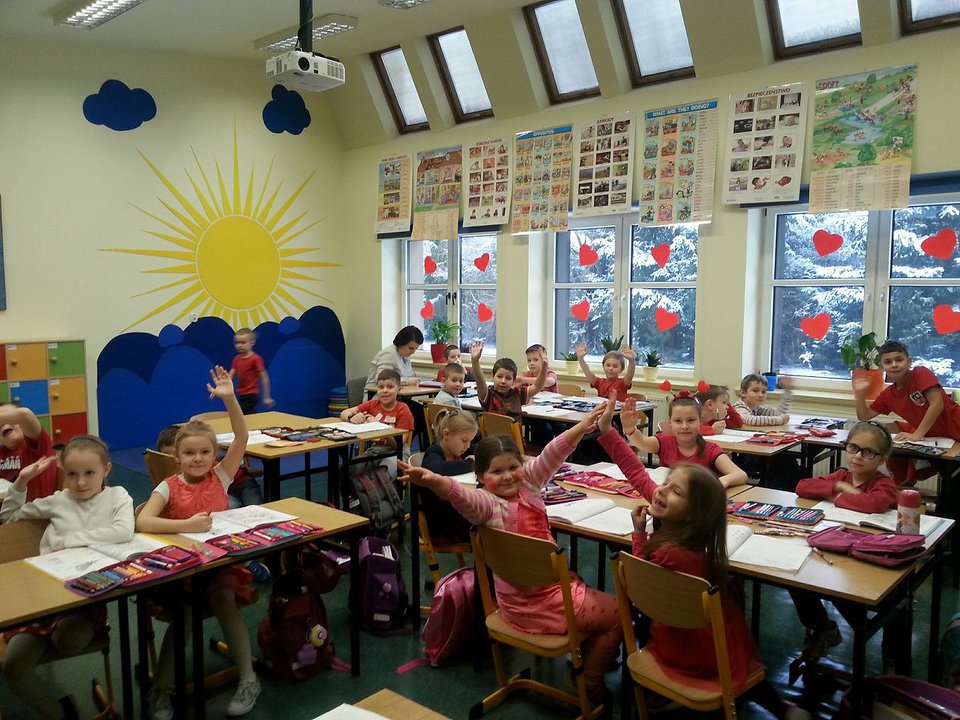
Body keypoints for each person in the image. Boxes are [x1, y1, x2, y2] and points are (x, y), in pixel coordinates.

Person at [593, 406, 808, 719]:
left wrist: (639, 536)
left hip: (671, 648)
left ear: (693, 511)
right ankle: (780, 706)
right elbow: (637, 472)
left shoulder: (670, 549)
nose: (660, 489)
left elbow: (641, 586)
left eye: (674, 490)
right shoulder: (690, 534)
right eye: (666, 482)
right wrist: (608, 431)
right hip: (714, 650)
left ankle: (660, 694)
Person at [398, 405, 622, 702]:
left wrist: (581, 428)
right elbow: (458, 493)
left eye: (513, 467)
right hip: (545, 607)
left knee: (592, 598)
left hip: (512, 603)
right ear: (480, 475)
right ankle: (590, 680)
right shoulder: (485, 504)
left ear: (523, 466)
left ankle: (589, 657)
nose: (507, 476)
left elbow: (552, 453)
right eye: (496, 471)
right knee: (620, 614)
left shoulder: (528, 483)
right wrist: (433, 480)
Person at [136, 367, 260, 720]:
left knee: (224, 599)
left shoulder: (221, 476)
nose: (198, 458)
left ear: (213, 455)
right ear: (176, 457)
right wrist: (185, 525)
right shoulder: (169, 486)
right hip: (182, 571)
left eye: (205, 452)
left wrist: (230, 398)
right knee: (185, 613)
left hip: (219, 567)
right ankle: (160, 688)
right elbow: (143, 521)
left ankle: (249, 679)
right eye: (190, 453)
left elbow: (241, 436)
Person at [1, 435, 134, 720]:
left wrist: (71, 540)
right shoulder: (59, 501)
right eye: (72, 474)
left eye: (89, 473)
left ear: (106, 469)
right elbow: (9, 516)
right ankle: (62, 714)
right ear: (63, 472)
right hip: (43, 600)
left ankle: (57, 635)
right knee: (13, 668)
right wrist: (22, 480)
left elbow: (123, 531)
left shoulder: (117, 496)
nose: (80, 482)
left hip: (86, 599)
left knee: (68, 642)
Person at [790, 422, 902, 670]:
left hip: (871, 556)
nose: (858, 456)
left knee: (889, 603)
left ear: (882, 459)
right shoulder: (841, 476)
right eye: (853, 448)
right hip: (836, 548)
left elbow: (874, 503)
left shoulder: (883, 483)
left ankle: (893, 660)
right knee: (795, 578)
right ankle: (822, 626)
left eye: (868, 452)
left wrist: (837, 497)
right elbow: (802, 486)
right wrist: (838, 486)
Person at [853, 339, 960, 483]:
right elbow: (864, 416)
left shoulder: (920, 373)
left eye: (899, 360)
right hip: (943, 442)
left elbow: (937, 404)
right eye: (888, 362)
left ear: (909, 361)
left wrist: (917, 434)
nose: (894, 365)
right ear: (882, 367)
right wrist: (860, 395)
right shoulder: (888, 395)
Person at [622, 393, 747, 489]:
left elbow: (741, 475)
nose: (684, 426)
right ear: (670, 423)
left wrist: (720, 482)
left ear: (700, 422)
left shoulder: (710, 450)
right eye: (678, 421)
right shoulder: (664, 442)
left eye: (691, 420)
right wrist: (630, 429)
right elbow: (642, 443)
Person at [420, 408, 478, 544]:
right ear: (446, 434)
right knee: (486, 528)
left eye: (470, 441)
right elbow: (435, 469)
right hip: (442, 524)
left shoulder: (457, 447)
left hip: (455, 512)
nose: (467, 446)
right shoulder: (434, 452)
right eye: (464, 441)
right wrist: (471, 463)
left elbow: (479, 448)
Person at [341, 369, 414, 460]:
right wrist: (351, 417)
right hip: (376, 449)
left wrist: (379, 426)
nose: (385, 390)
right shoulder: (373, 404)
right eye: (381, 387)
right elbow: (344, 413)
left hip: (398, 451)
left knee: (385, 467)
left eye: (390, 387)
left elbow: (398, 445)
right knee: (353, 466)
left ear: (398, 390)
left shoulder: (403, 409)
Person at [471, 341, 547, 429]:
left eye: (508, 378)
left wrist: (544, 366)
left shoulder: (517, 393)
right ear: (493, 377)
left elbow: (537, 386)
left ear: (513, 381)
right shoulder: (489, 396)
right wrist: (475, 361)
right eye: (499, 377)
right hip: (494, 437)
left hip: (515, 438)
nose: (503, 381)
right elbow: (480, 380)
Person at [0, 403, 58, 505]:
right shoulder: (2, 452)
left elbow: (25, 414)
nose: (3, 424)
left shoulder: (37, 443)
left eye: (9, 418)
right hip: (8, 510)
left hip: (37, 511)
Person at [229, 328, 274, 414]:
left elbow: (264, 378)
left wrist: (266, 397)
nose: (239, 345)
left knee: (241, 414)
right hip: (241, 394)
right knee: (241, 415)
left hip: (252, 394)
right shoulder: (236, 359)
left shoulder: (255, 359)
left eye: (243, 343)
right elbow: (229, 377)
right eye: (237, 343)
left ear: (252, 343)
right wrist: (220, 389)